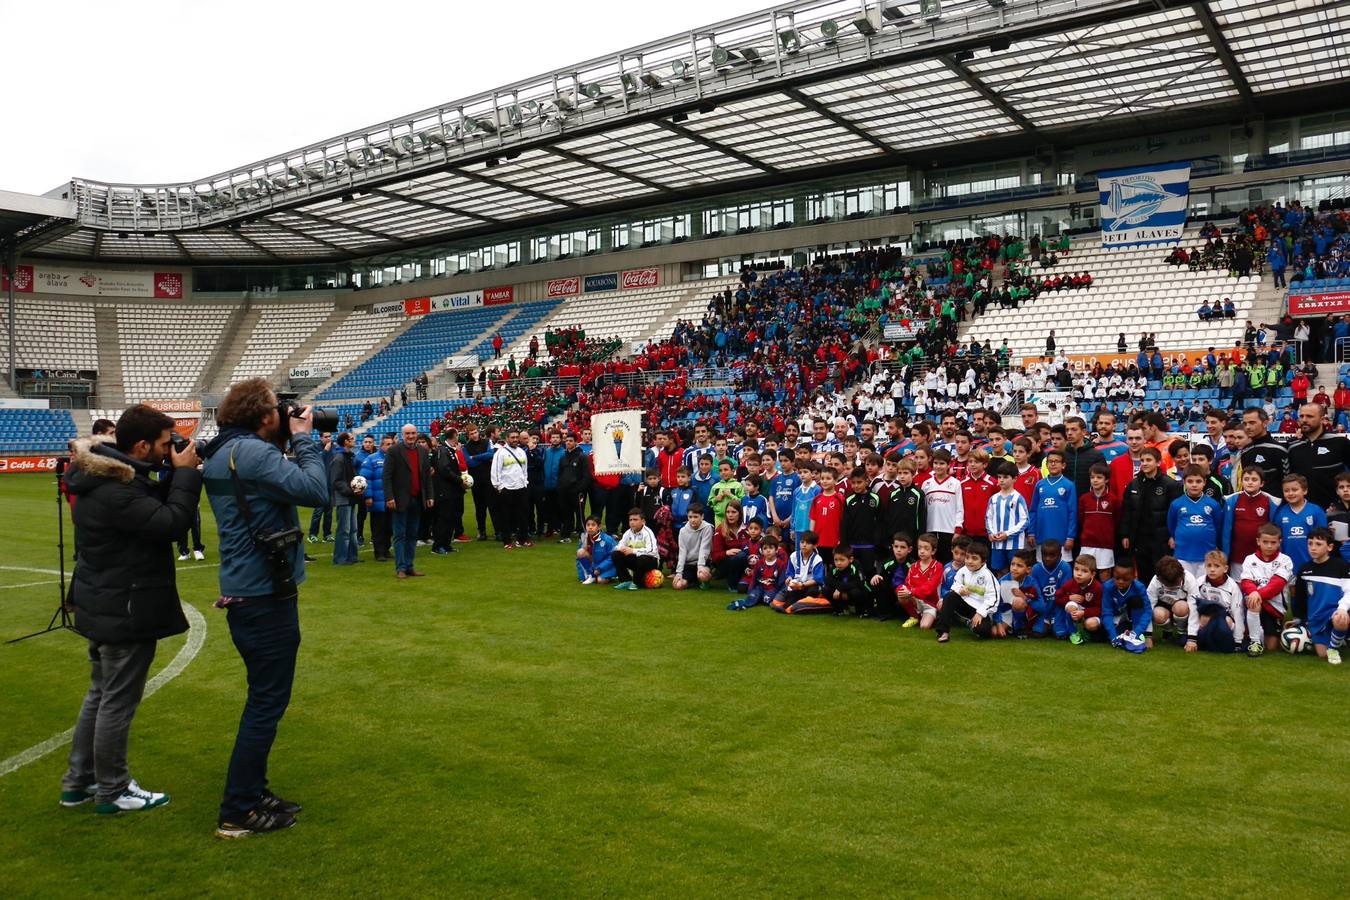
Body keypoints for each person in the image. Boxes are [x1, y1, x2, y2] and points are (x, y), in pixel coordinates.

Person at [59, 405, 202, 815]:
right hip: (125, 606)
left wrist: (175, 471)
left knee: (100, 695)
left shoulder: (102, 477)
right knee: (117, 701)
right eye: (161, 445)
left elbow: (151, 499)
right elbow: (170, 523)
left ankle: (79, 782)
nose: (166, 451)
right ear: (140, 445)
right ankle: (112, 789)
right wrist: (187, 475)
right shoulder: (116, 489)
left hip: (104, 601)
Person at [202, 378, 328, 838]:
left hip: (248, 589)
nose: (286, 414)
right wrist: (304, 439)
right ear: (264, 416)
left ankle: (253, 792)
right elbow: (316, 491)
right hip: (262, 594)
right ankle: (238, 809)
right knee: (265, 704)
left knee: (264, 699)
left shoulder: (225, 451)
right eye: (280, 409)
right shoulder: (252, 453)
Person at [383, 423, 434, 579]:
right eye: (408, 434)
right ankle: (400, 568)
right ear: (403, 435)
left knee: (413, 534)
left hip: (418, 498)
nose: (411, 436)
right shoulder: (394, 451)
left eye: (413, 433)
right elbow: (387, 476)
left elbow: (426, 477)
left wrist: (430, 496)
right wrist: (389, 497)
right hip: (400, 500)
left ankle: (409, 566)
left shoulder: (423, 451)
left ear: (417, 434)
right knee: (399, 535)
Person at [934, 541, 999, 642]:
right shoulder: (963, 570)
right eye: (967, 557)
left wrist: (980, 613)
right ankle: (943, 632)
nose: (969, 561)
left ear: (983, 561)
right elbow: (955, 585)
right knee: (949, 597)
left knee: (983, 631)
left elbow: (993, 600)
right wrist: (960, 589)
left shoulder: (988, 576)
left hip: (979, 610)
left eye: (974, 558)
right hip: (964, 605)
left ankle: (976, 623)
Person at [1186, 550, 1246, 654]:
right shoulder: (1199, 582)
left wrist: (1238, 641)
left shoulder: (1233, 587)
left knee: (1226, 621)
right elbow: (1194, 608)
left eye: (1216, 566)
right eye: (1209, 566)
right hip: (1204, 617)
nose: (1212, 569)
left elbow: (1238, 613)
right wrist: (1192, 638)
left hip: (1225, 618)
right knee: (1203, 618)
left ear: (1225, 569)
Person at [491, 429, 532, 549]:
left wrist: (525, 482)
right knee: (506, 516)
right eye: (512, 437)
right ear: (507, 438)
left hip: (521, 487)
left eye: (516, 437)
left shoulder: (521, 452)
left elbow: (524, 470)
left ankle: (522, 539)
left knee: (523, 515)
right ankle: (507, 541)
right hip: (507, 489)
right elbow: (495, 471)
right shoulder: (500, 453)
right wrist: (498, 486)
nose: (515, 439)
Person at [328, 432, 363, 566]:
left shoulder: (349, 456)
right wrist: (351, 490)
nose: (354, 441)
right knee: (344, 530)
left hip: (351, 497)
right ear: (345, 442)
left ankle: (352, 556)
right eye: (351, 439)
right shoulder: (339, 458)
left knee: (353, 530)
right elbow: (336, 481)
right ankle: (340, 558)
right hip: (344, 498)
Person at [360, 434, 393, 562]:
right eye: (388, 444)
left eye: (392, 444)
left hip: (390, 499)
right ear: (381, 445)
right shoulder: (371, 459)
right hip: (377, 500)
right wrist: (368, 496)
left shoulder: (394, 459)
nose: (390, 446)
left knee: (389, 527)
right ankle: (379, 552)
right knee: (378, 527)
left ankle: (386, 549)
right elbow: (365, 478)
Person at [612, 508, 660, 590]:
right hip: (637, 561)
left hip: (651, 561)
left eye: (635, 519)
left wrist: (633, 551)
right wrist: (622, 549)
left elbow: (652, 551)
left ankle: (636, 583)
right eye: (630, 520)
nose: (632, 522)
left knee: (642, 558)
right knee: (616, 554)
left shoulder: (647, 532)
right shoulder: (628, 533)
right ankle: (626, 581)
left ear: (643, 521)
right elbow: (618, 546)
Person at [672, 503, 714, 590]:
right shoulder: (683, 531)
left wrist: (700, 567)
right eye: (690, 517)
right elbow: (682, 552)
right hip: (689, 564)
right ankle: (693, 581)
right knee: (677, 585)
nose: (692, 520)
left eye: (695, 517)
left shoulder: (707, 528)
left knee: (702, 575)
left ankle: (704, 580)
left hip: (703, 562)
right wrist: (679, 572)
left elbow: (704, 549)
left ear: (702, 516)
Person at [575, 515, 617, 585]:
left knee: (601, 581)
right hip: (593, 564)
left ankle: (609, 576)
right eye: (588, 525)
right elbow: (578, 559)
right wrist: (582, 577)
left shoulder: (607, 539)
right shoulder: (584, 538)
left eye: (593, 525)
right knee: (580, 552)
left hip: (606, 565)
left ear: (599, 527)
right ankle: (591, 575)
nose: (590, 527)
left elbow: (612, 557)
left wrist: (600, 568)